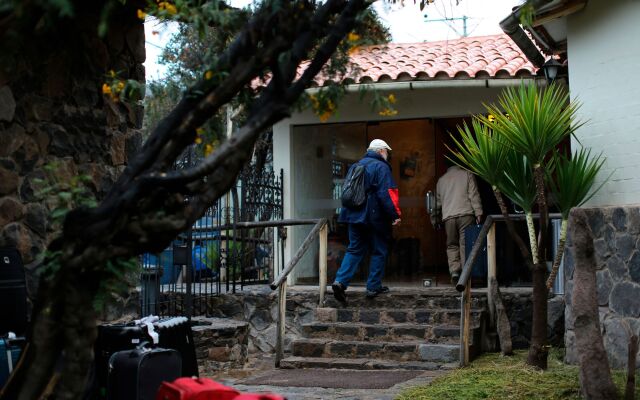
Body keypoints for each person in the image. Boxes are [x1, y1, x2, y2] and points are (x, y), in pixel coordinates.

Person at [332, 139, 401, 301]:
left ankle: (340, 281)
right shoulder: (381, 167)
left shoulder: (356, 166)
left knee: (354, 249)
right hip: (374, 217)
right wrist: (395, 215)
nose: (387, 155)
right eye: (386, 151)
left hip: (353, 216)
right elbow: (388, 194)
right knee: (379, 250)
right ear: (380, 151)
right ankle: (373, 287)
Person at [432, 158, 483, 283]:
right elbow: (473, 194)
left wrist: (434, 219)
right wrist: (479, 212)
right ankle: (466, 275)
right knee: (465, 244)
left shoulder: (441, 180)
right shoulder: (467, 174)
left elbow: (436, 204)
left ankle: (455, 271)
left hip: (448, 217)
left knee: (451, 245)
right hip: (466, 214)